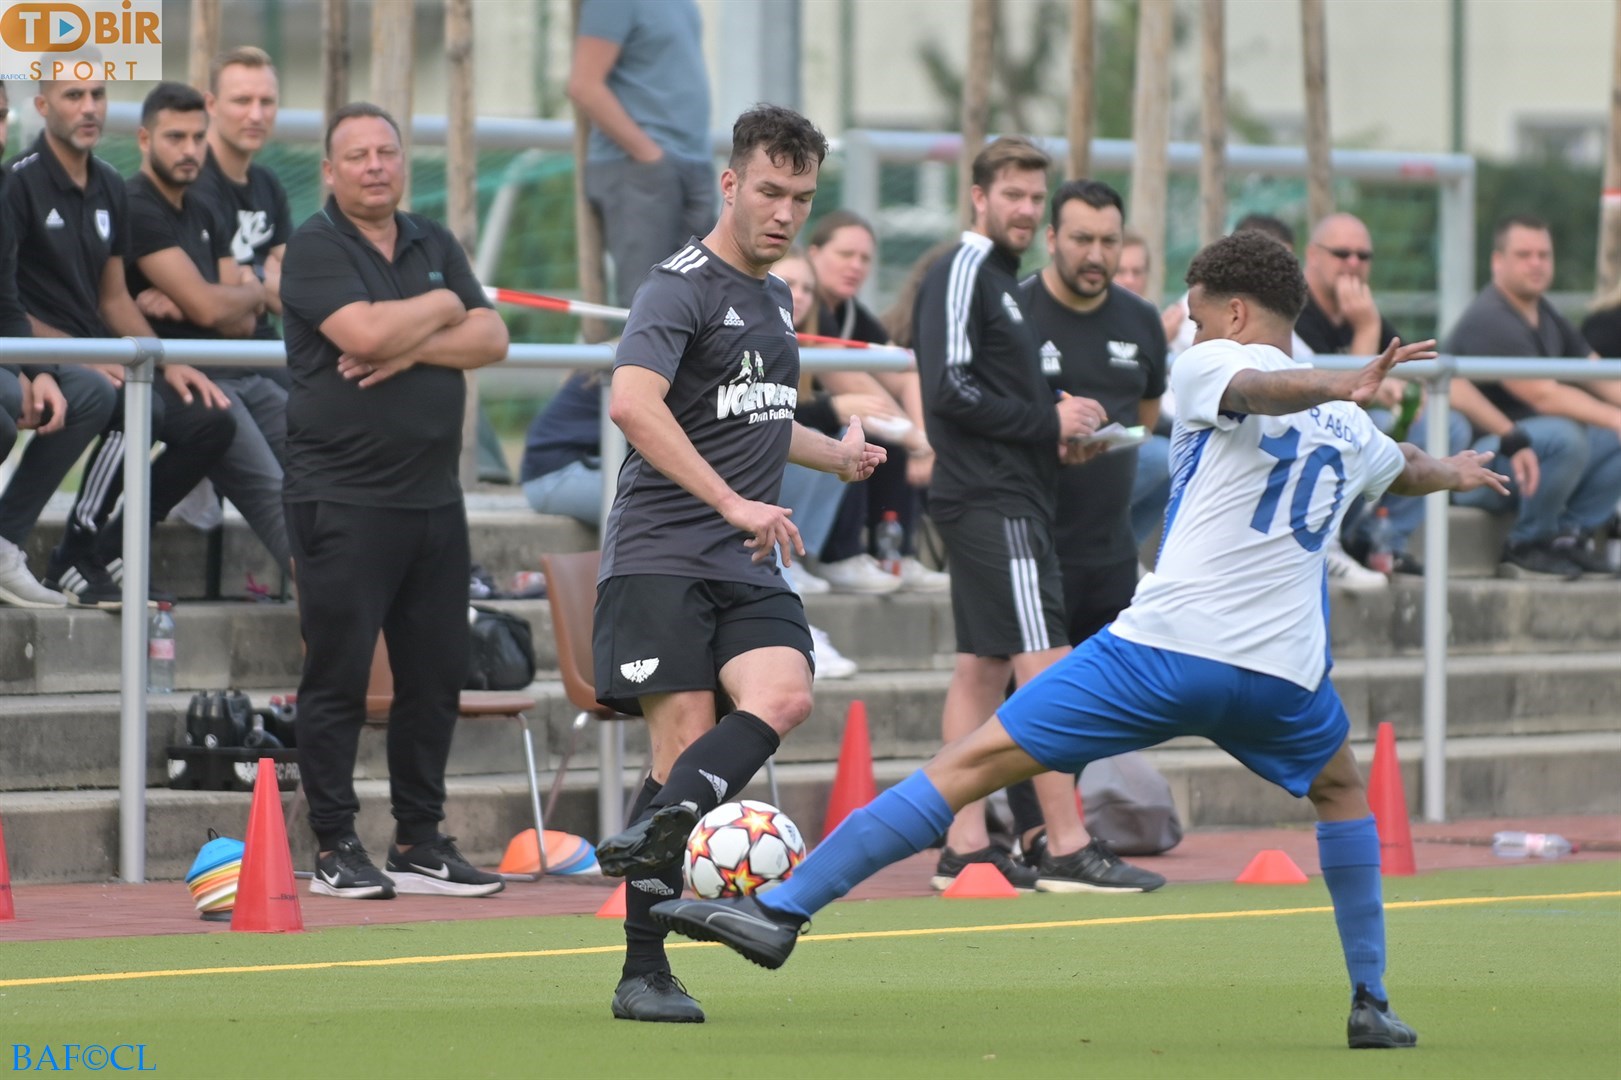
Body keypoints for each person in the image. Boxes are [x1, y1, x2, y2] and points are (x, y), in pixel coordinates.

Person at [650, 228, 1514, 1048]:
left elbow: (1257, 392)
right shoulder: (1349, 423)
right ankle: (1370, 999)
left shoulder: (1218, 360)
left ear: (1236, 314)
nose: (1191, 323)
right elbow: (1402, 465)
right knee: (1339, 791)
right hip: (1282, 679)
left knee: (966, 768)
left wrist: (1335, 384)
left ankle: (781, 911)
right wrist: (1455, 467)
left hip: (1164, 651)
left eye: (1198, 308)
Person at [586, 105, 883, 1024]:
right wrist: (732, 501)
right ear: (729, 184)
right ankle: (643, 973)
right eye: (769, 192)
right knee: (677, 745)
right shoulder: (676, 285)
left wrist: (832, 454)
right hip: (662, 553)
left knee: (784, 694)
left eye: (801, 197)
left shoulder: (776, 298)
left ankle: (662, 822)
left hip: (743, 554)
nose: (785, 212)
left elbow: (749, 415)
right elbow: (634, 406)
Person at [911, 137, 1161, 894]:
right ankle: (1063, 841)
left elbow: (989, 396)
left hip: (1017, 498)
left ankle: (964, 843)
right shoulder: (963, 269)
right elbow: (946, 391)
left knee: (982, 671)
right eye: (1011, 195)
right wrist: (1047, 423)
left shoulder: (997, 280)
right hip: (995, 501)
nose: (1021, 207)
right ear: (978, 197)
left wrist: (1052, 426)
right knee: (1047, 675)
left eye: (1031, 194)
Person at [278, 102, 511, 900]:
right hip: (341, 499)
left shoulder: (430, 239)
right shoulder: (313, 248)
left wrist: (410, 336)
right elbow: (364, 337)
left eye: (387, 151)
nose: (376, 165)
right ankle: (336, 843)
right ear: (332, 170)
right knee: (338, 676)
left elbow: (493, 337)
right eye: (358, 155)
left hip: (432, 501)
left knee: (435, 674)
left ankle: (418, 839)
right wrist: (441, 308)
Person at [7, 77, 234, 610]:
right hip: (38, 351)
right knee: (130, 403)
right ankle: (72, 550)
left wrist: (163, 359)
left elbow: (114, 300)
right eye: (73, 96)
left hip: (99, 354)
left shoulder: (110, 183)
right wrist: (87, 354)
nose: (89, 108)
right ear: (42, 106)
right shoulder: (16, 183)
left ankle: (110, 548)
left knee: (208, 417)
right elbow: (7, 302)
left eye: (98, 95)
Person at [72, 82, 293, 587]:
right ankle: (89, 549)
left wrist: (232, 293)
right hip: (161, 373)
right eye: (176, 137)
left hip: (226, 367)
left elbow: (236, 322)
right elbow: (212, 307)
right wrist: (240, 292)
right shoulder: (137, 204)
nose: (190, 150)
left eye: (198, 137)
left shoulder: (204, 207)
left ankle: (364, 589)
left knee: (319, 458)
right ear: (145, 139)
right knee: (263, 479)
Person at [1295, 212, 1473, 576]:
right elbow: (1347, 401)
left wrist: (1508, 433)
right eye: (1342, 253)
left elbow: (1423, 373)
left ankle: (1381, 542)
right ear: (1313, 255)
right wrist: (1367, 327)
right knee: (1372, 424)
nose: (1354, 264)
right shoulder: (1296, 308)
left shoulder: (1360, 307)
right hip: (1310, 436)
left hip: (1349, 434)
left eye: (1363, 256)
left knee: (1448, 425)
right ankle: (1334, 543)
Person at [1444, 215, 1621, 578]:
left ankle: (1569, 537)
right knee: (1565, 435)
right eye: (1524, 254)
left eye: (1544, 254)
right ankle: (1526, 543)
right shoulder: (1490, 316)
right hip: (1482, 465)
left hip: (1534, 460)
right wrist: (1615, 417)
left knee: (1597, 437)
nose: (1536, 263)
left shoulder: (1546, 312)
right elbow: (1542, 394)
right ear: (1498, 261)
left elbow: (1598, 373)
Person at [804, 210, 947, 594]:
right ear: (813, 253)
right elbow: (850, 380)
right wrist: (915, 438)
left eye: (865, 258)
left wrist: (919, 439)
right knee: (861, 432)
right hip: (781, 426)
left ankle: (894, 553)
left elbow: (903, 373)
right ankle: (838, 555)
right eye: (845, 254)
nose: (856, 266)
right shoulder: (804, 306)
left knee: (887, 438)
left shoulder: (852, 313)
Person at [568, 0, 714, 307]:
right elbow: (584, 85)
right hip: (640, 169)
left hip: (693, 161)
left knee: (705, 298)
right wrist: (649, 155)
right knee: (646, 304)